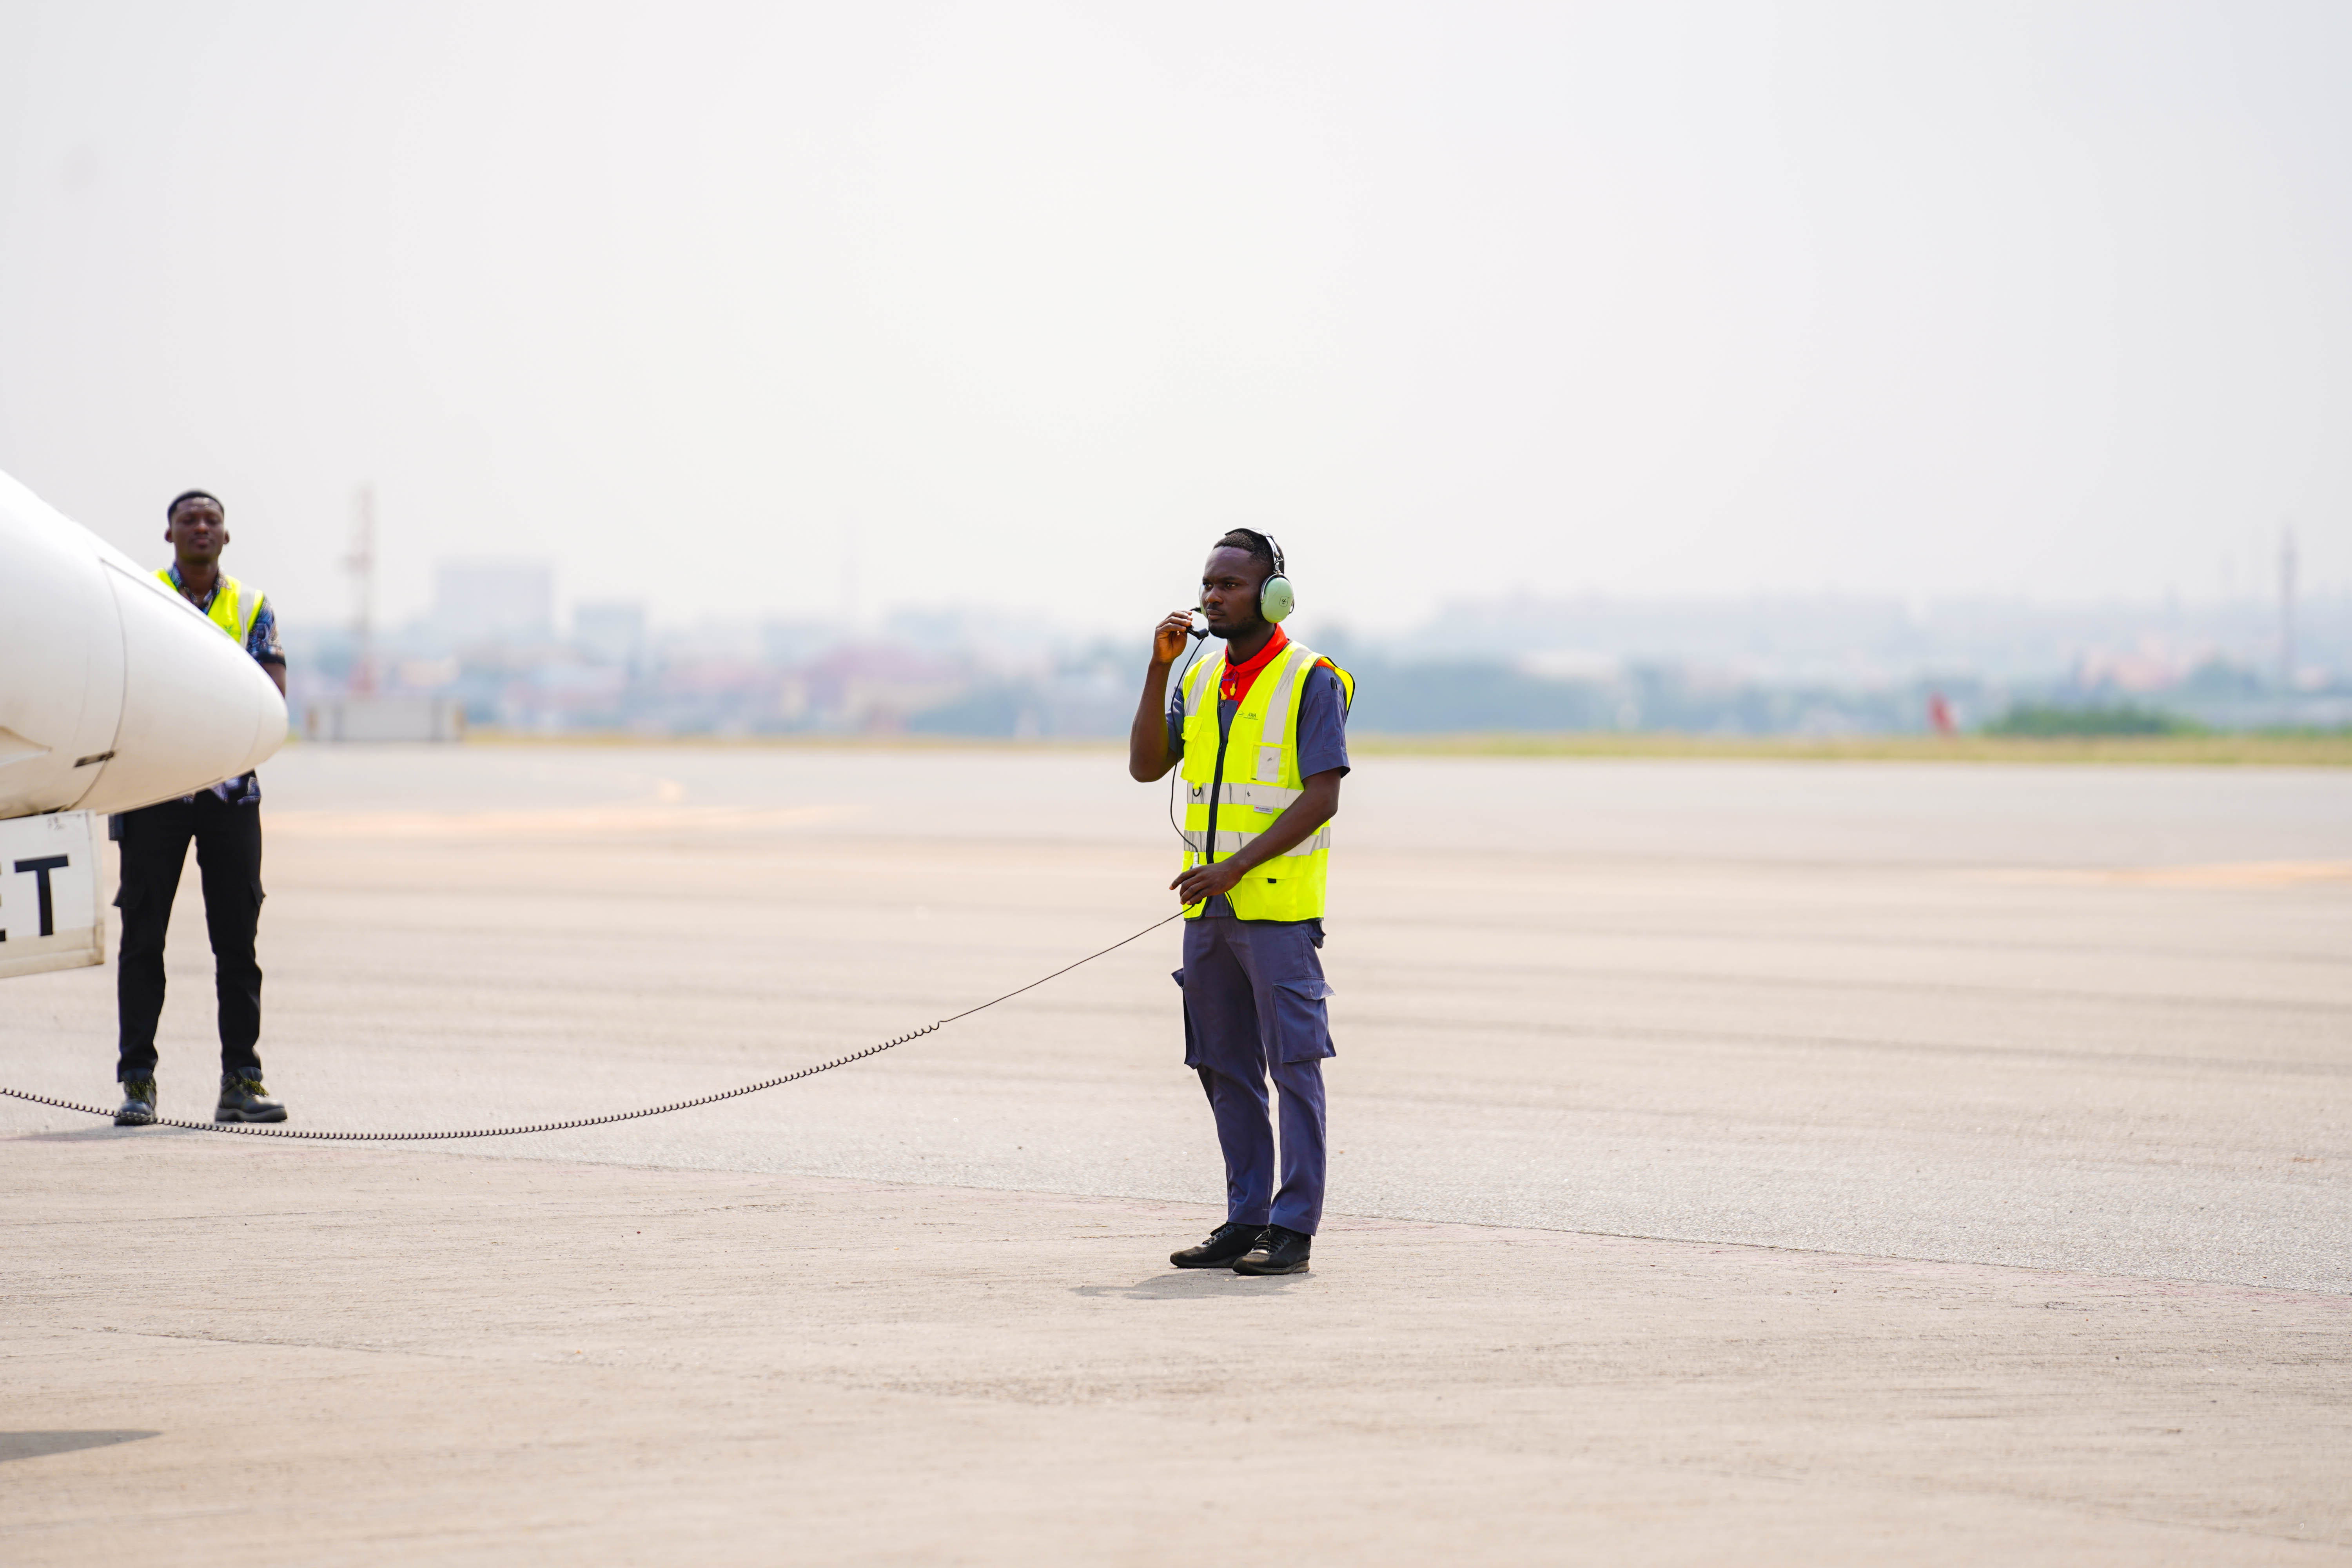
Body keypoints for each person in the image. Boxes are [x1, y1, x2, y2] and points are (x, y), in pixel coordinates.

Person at [1128, 530, 1354, 1276]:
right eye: (1208, 584)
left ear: (1273, 596)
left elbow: (1321, 798)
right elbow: (1146, 767)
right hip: (1208, 913)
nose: (1212, 597)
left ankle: (1293, 1228)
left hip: (1278, 912)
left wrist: (1235, 868)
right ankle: (1246, 1216)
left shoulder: (1309, 679)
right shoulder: (1197, 677)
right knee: (1223, 1066)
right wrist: (1158, 670)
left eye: (1230, 584)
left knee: (1294, 1069)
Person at [113, 490, 289, 1126]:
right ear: (170, 535)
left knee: (237, 946)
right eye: (188, 520)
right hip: (154, 795)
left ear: (226, 535)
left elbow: (273, 696)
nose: (201, 527)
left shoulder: (252, 607)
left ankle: (242, 1081)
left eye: (212, 519)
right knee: (143, 943)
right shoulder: (140, 594)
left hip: (229, 797)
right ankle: (138, 1084)